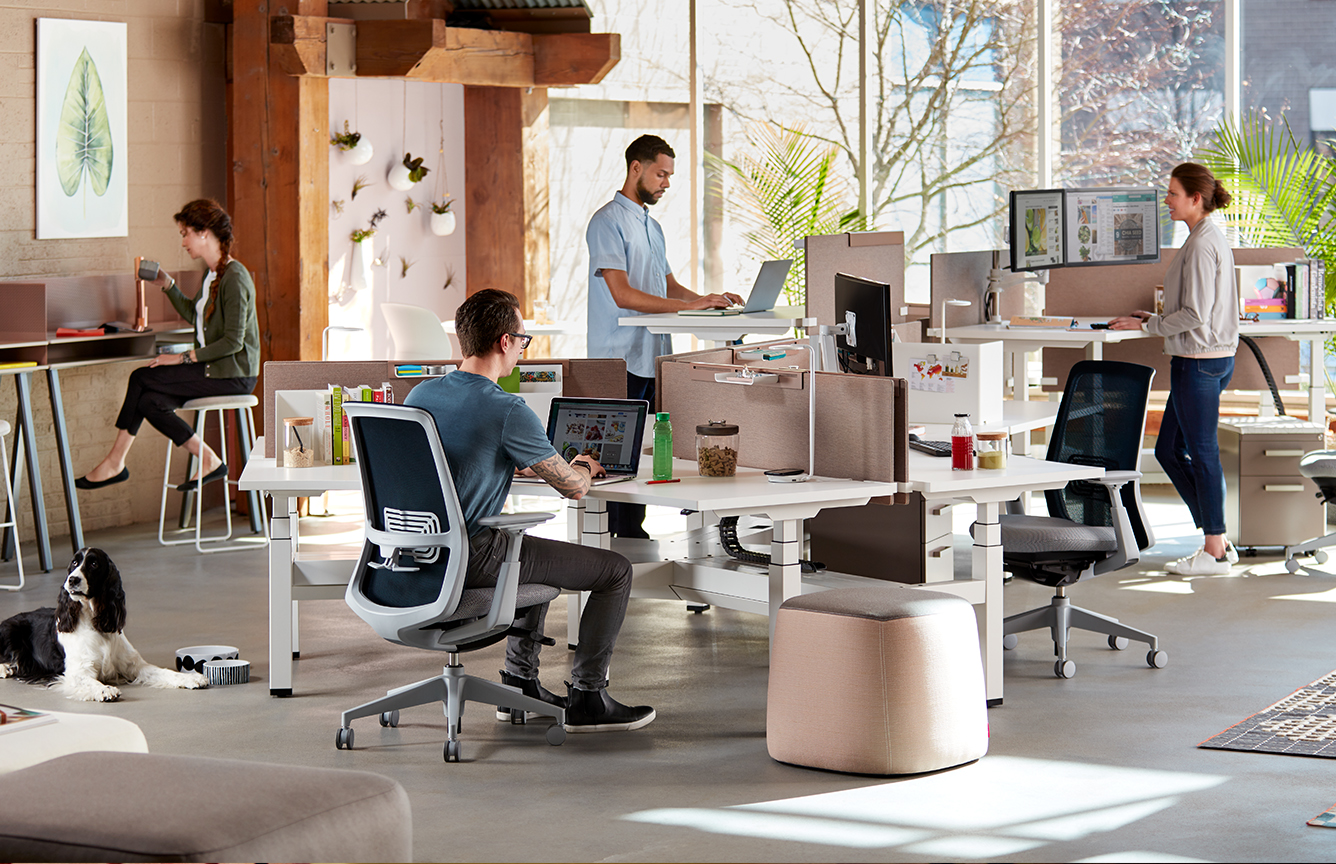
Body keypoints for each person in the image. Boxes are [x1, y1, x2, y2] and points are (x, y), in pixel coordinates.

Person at [404, 288, 656, 733]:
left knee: (529, 554)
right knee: (615, 570)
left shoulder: (421, 395)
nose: (522, 349)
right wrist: (580, 466)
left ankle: (519, 685)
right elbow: (573, 489)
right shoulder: (506, 408)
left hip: (418, 554)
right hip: (475, 555)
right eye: (524, 340)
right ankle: (589, 697)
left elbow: (456, 457)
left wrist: (513, 457)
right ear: (505, 341)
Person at [585, 134, 744, 538]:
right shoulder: (606, 223)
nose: (666, 184)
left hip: (654, 354)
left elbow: (669, 287)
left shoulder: (652, 228)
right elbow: (622, 294)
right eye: (661, 173)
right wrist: (690, 307)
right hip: (619, 357)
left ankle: (637, 532)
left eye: (669, 175)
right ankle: (617, 538)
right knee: (620, 451)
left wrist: (710, 300)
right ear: (635, 168)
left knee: (651, 447)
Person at [1109, 162, 1239, 576]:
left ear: (1195, 199)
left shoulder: (1202, 244)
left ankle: (1214, 549)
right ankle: (1216, 537)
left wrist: (1147, 325)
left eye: (1172, 193)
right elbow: (1196, 306)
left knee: (1201, 452)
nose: (1165, 200)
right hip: (1207, 359)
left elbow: (1197, 314)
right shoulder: (1205, 236)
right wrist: (1155, 316)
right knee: (1168, 450)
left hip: (1198, 363)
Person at [76, 199, 260, 492]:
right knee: (149, 402)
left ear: (204, 233)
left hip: (233, 375)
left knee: (141, 377)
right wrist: (167, 284)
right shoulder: (213, 274)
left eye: (186, 233)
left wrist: (182, 358)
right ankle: (209, 459)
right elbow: (195, 315)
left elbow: (233, 342)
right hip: (214, 369)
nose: (184, 241)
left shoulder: (234, 277)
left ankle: (115, 461)